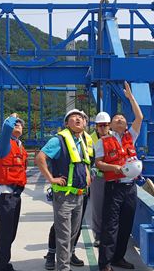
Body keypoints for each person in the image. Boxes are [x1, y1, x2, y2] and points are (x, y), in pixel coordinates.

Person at [35, 109, 93, 271]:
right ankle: (63, 268)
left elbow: (83, 163)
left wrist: (87, 174)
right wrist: (51, 179)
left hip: (79, 195)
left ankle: (63, 264)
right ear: (66, 123)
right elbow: (40, 158)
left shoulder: (82, 141)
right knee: (64, 236)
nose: (78, 119)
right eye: (73, 117)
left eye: (81, 117)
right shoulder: (59, 140)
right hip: (64, 196)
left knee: (72, 235)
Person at [95, 82, 144, 271]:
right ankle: (105, 263)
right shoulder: (103, 141)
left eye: (123, 118)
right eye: (117, 118)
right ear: (110, 124)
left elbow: (139, 116)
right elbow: (98, 163)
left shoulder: (130, 136)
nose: (120, 119)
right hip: (114, 186)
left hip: (130, 188)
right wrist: (116, 168)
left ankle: (118, 258)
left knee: (126, 224)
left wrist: (130, 98)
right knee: (110, 226)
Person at [0, 113, 28, 271]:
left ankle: (4, 263)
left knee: (10, 233)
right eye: (15, 123)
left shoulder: (19, 145)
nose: (17, 124)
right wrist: (12, 117)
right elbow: (6, 128)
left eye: (20, 123)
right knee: (6, 233)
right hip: (5, 194)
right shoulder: (3, 141)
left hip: (15, 194)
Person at [89, 112, 111, 247]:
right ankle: (98, 235)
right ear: (96, 126)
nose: (103, 128)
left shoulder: (114, 137)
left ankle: (109, 234)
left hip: (113, 176)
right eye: (100, 125)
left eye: (105, 125)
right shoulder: (89, 139)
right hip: (97, 176)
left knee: (112, 208)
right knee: (97, 208)